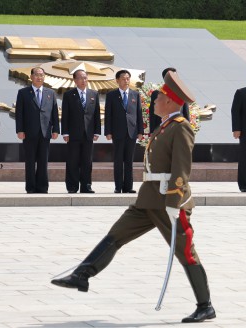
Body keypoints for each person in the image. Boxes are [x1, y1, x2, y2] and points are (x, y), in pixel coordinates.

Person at [51, 71, 215, 323]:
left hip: (168, 202)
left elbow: (181, 169)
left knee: (186, 252)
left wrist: (174, 201)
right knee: (116, 234)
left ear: (170, 101)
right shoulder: (165, 127)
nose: (154, 103)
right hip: (148, 200)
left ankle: (205, 305)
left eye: (158, 98)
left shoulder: (180, 128)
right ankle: (82, 275)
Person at [15, 67, 59, 194]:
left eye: (42, 75)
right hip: (29, 132)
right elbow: (19, 113)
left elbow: (54, 113)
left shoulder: (50, 93)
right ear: (31, 77)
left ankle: (42, 187)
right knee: (30, 161)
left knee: (43, 161)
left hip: (45, 132)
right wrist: (20, 130)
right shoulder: (23, 92)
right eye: (37, 75)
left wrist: (56, 129)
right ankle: (30, 187)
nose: (39, 77)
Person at [61, 69, 101, 194]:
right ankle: (72, 186)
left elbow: (96, 115)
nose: (83, 80)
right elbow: (65, 115)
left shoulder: (93, 94)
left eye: (85, 78)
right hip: (73, 134)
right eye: (80, 78)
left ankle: (86, 186)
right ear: (75, 80)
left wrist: (97, 132)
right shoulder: (69, 95)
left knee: (87, 162)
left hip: (88, 134)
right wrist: (65, 132)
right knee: (72, 161)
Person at [104, 70, 142, 194]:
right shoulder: (111, 95)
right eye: (123, 79)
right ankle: (118, 186)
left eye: (128, 78)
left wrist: (140, 131)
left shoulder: (135, 95)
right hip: (117, 132)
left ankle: (128, 187)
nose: (126, 81)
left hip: (131, 132)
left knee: (129, 161)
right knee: (118, 160)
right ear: (117, 80)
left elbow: (139, 114)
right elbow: (108, 115)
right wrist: (108, 132)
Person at [148, 67, 189, 133]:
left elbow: (186, 112)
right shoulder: (156, 94)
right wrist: (152, 131)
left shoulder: (182, 93)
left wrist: (187, 129)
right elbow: (152, 113)